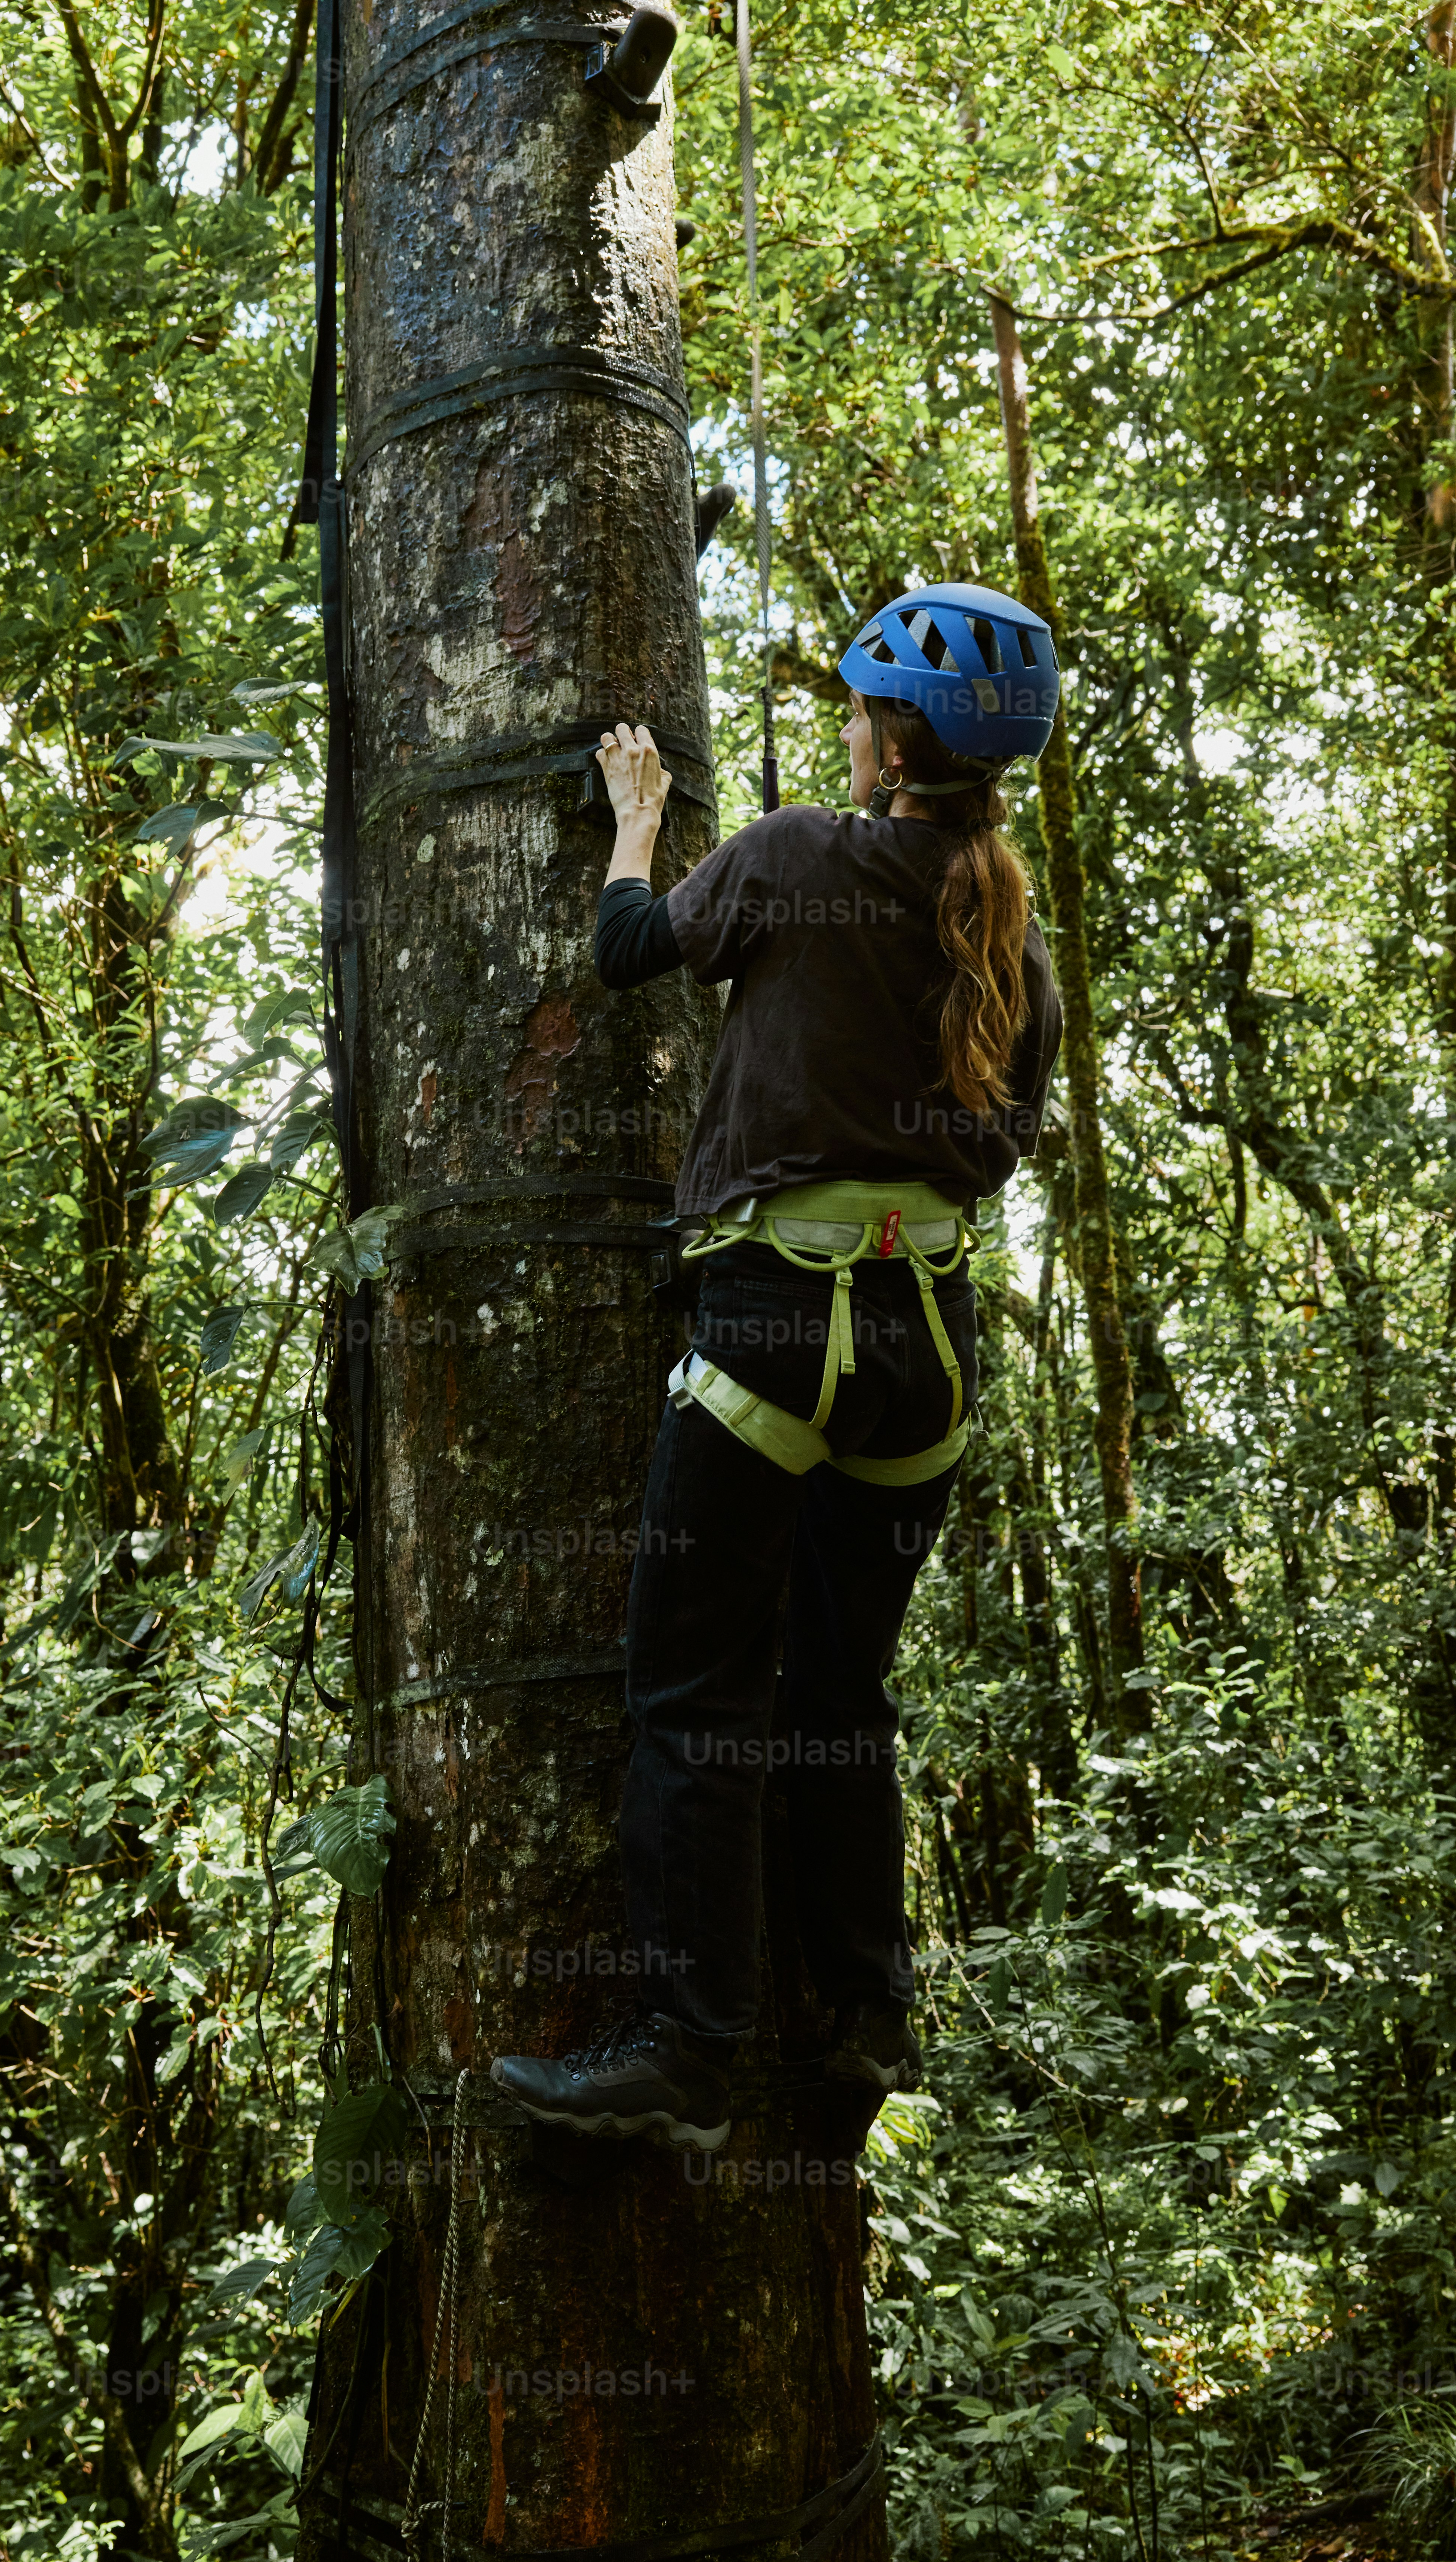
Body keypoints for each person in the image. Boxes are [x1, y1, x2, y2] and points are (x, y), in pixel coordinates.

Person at [491, 586, 1064, 2150]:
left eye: (863, 710)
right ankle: (866, 2017)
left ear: (889, 743)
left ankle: (687, 2051)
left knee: (694, 1689)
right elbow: (998, 1148)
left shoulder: (800, 854)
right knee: (841, 1692)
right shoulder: (1016, 937)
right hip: (925, 1355)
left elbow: (628, 949)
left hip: (774, 1333)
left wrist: (637, 817)